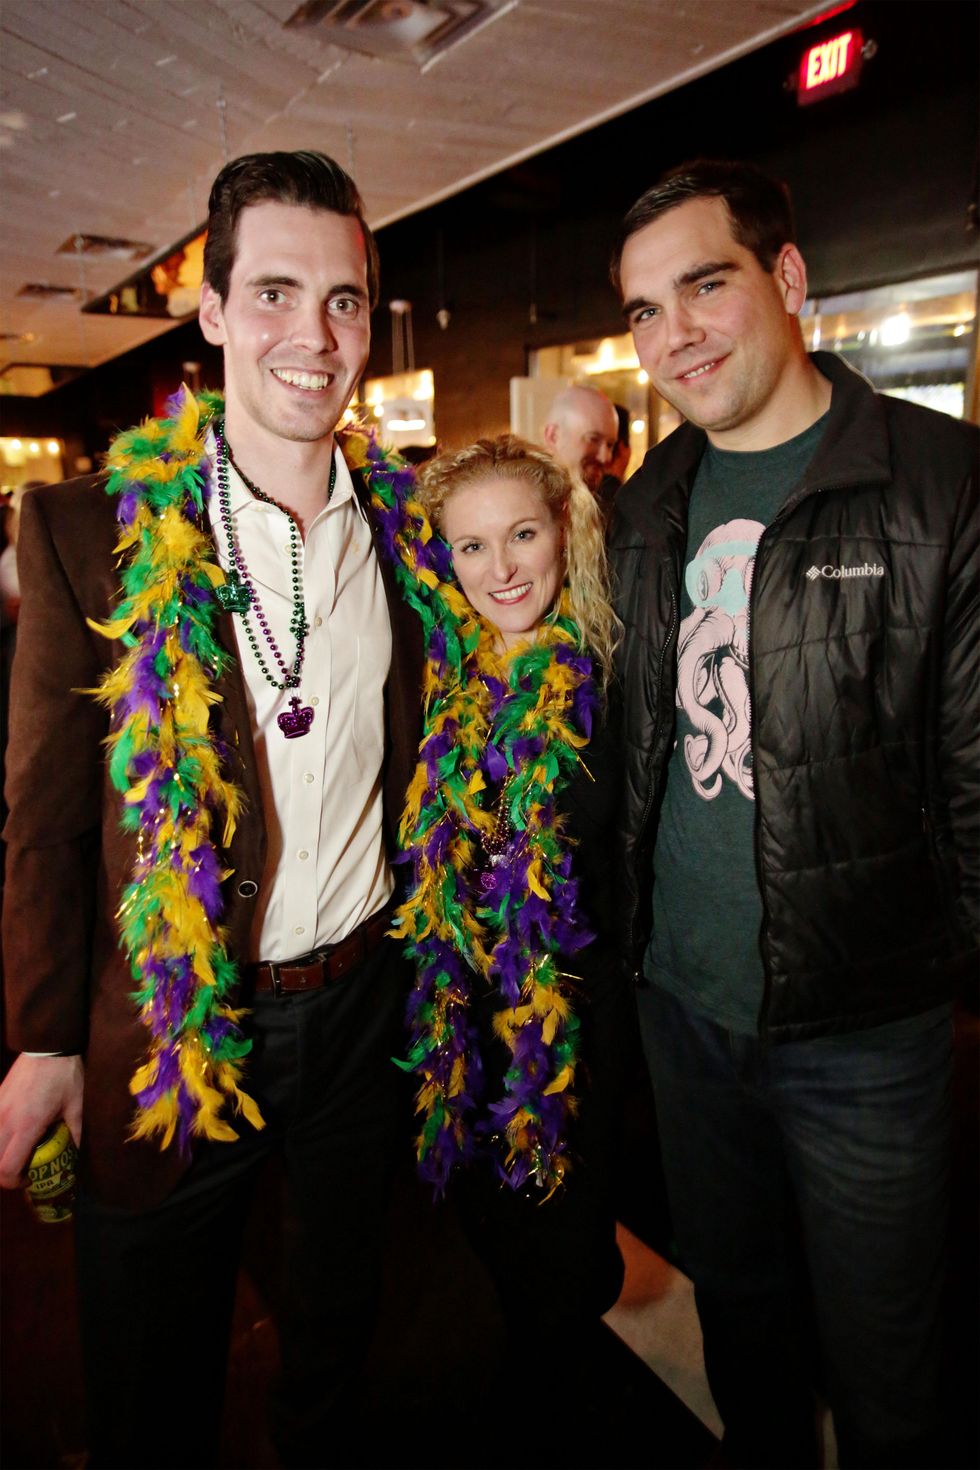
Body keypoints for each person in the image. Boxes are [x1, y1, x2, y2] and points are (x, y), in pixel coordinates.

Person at [0, 150, 422, 1469]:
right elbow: (46, 814)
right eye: (279, 293)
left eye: (344, 300)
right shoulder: (89, 532)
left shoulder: (418, 532)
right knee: (149, 1376)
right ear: (216, 310)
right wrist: (42, 1036)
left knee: (343, 1340)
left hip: (363, 1010)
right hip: (173, 1021)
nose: (315, 335)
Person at [608, 158, 978, 1469]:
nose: (674, 336)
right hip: (683, 1010)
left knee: (893, 1370)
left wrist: (941, 989)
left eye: (703, 285)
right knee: (743, 1332)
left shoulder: (942, 485)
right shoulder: (644, 507)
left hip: (863, 1034)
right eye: (646, 309)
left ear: (789, 276)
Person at [382, 434, 631, 1389]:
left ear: (561, 531)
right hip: (465, 1018)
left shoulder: (608, 673)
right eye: (473, 546)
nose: (502, 568)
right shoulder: (441, 683)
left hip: (576, 1025)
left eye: (521, 534)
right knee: (490, 1235)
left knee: (567, 1256)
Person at [542, 382, 619, 496]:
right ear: (553, 436)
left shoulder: (612, 504)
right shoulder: (525, 502)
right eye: (593, 439)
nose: (605, 457)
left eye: (610, 445)